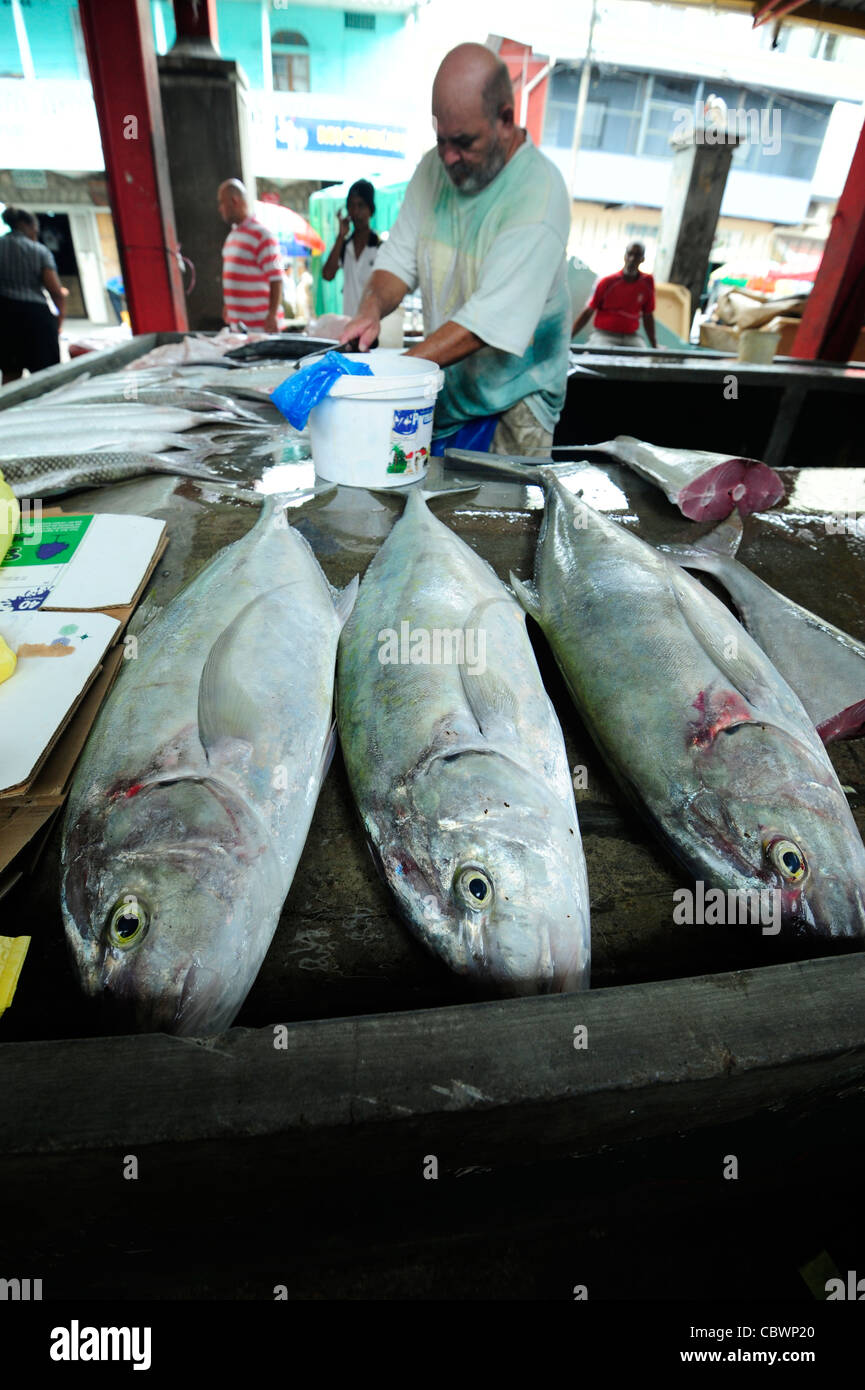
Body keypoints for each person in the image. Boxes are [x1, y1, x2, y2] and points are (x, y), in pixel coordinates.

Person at [339, 43, 571, 458]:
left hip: (514, 401)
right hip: (448, 390)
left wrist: (389, 377)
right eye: (440, 139)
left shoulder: (539, 196)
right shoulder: (434, 169)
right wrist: (369, 310)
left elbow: (486, 322)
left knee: (500, 521)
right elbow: (396, 261)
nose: (447, 157)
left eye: (462, 142)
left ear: (505, 118)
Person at [0, 206, 66, 385]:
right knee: (46, 377)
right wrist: (58, 320)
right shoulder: (39, 250)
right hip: (36, 318)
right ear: (28, 225)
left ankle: (9, 411)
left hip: (4, 318)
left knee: (11, 374)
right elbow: (55, 290)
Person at [217, 179, 284, 334]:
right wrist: (229, 305)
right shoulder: (232, 236)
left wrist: (272, 315)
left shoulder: (263, 235)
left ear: (234, 201)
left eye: (222, 203)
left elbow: (277, 278)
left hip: (261, 329)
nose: (220, 208)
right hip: (239, 329)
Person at [572, 242, 657, 349]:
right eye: (630, 254)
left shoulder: (647, 282)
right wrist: (569, 338)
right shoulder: (607, 282)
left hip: (631, 337)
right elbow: (588, 311)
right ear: (625, 256)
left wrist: (654, 345)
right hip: (604, 335)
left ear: (642, 259)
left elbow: (648, 315)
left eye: (637, 255)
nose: (632, 259)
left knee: (641, 359)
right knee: (602, 357)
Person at [321, 180, 381, 318]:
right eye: (351, 206)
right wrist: (341, 236)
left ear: (370, 210)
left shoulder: (380, 247)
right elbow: (327, 274)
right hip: (349, 323)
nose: (355, 212)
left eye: (361, 206)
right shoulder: (344, 247)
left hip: (374, 325)